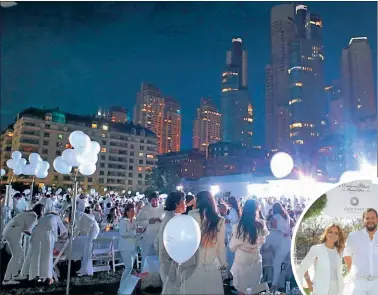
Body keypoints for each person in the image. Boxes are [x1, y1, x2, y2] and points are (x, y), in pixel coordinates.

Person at [180, 191, 227, 295]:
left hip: (193, 264)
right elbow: (221, 247)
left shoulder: (191, 215)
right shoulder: (219, 220)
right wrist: (223, 264)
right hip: (212, 266)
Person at [229, 199, 270, 294]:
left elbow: (232, 247)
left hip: (242, 259)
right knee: (254, 288)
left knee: (242, 289)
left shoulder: (238, 226)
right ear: (256, 210)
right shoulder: (261, 224)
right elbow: (263, 241)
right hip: (255, 258)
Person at [2, 204, 44, 285]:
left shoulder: (29, 213)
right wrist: (35, 235)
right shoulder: (33, 216)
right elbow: (27, 230)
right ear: (40, 211)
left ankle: (14, 274)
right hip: (13, 233)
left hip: (9, 231)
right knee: (16, 256)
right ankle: (6, 279)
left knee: (19, 255)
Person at [21, 211, 67, 285]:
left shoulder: (42, 218)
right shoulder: (56, 217)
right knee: (47, 256)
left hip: (36, 235)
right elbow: (63, 230)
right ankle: (48, 278)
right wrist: (63, 236)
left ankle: (34, 277)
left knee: (36, 256)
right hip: (47, 236)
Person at [298, 224, 345, 295]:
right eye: (330, 232)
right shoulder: (316, 249)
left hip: (337, 290)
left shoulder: (339, 252)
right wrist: (309, 282)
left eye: (336, 233)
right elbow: (303, 266)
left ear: (338, 236)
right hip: (320, 290)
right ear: (326, 233)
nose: (333, 234)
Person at [156, 191, 188, 294]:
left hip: (169, 263)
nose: (186, 203)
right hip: (170, 264)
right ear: (176, 203)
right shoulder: (172, 219)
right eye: (183, 200)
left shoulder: (171, 217)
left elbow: (156, 241)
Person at [343, 208, 378, 295]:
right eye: (367, 218)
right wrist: (352, 272)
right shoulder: (353, 236)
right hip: (358, 282)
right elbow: (346, 255)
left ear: (377, 219)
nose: (370, 220)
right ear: (363, 220)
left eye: (373, 218)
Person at [118, 203, 146, 294]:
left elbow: (135, 234)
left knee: (130, 268)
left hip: (133, 247)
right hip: (125, 247)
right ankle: (121, 287)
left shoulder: (134, 220)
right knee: (128, 268)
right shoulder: (123, 221)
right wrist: (135, 231)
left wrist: (141, 231)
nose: (133, 212)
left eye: (134, 211)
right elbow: (123, 234)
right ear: (127, 212)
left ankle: (126, 287)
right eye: (131, 211)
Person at [268, 202, 294, 291]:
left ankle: (274, 285)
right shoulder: (287, 216)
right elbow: (292, 224)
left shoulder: (275, 218)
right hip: (289, 241)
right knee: (286, 263)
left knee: (277, 264)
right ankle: (283, 282)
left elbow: (273, 232)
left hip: (281, 242)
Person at [136, 192, 164, 261]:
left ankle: (156, 272)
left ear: (159, 199)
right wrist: (148, 222)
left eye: (156, 200)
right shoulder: (145, 208)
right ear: (150, 200)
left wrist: (161, 221)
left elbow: (166, 220)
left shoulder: (162, 208)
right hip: (147, 238)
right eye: (153, 200)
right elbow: (137, 221)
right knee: (146, 258)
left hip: (159, 237)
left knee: (158, 259)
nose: (155, 202)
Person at [74, 211, 100, 276]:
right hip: (92, 229)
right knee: (86, 250)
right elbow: (78, 228)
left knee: (88, 250)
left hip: (94, 229)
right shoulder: (78, 214)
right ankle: (83, 269)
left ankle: (86, 270)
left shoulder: (77, 214)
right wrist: (73, 235)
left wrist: (72, 236)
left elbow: (78, 228)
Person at [225, 196, 241, 278]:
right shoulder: (236, 210)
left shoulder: (233, 211)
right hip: (233, 234)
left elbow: (231, 221)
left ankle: (231, 275)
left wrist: (225, 219)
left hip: (231, 233)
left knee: (231, 255)